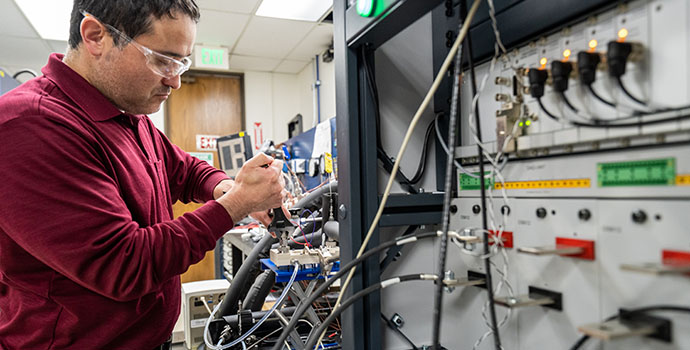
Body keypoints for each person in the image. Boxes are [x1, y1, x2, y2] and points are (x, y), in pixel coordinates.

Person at [0, 1, 285, 349]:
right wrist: (237, 203)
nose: (176, 81)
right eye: (163, 60)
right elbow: (124, 264)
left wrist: (224, 186)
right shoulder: (31, 126)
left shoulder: (126, 114)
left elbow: (182, 168)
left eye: (182, 62)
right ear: (95, 36)